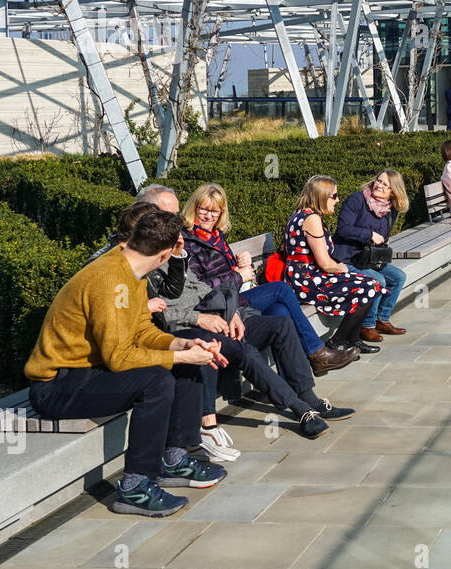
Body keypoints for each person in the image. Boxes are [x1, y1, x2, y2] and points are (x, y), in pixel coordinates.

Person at [25, 208, 227, 518]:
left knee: (185, 364)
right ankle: (134, 487)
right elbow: (119, 358)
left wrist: (182, 345)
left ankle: (173, 459)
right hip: (57, 386)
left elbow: (143, 330)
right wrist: (178, 355)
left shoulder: (131, 271)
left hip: (90, 372)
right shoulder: (109, 278)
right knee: (157, 381)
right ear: (164, 255)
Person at [128, 190, 353, 447]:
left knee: (280, 319)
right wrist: (222, 294)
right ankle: (300, 402)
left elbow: (198, 291)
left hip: (222, 310)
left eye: (215, 211)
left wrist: (231, 309)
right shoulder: (156, 252)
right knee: (260, 322)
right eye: (169, 215)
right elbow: (169, 306)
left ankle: (306, 396)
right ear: (146, 215)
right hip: (186, 329)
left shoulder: (176, 247)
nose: (177, 221)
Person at [181, 183, 362, 367]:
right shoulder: (187, 240)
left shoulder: (215, 235)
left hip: (232, 297)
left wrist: (239, 264)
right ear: (193, 207)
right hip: (220, 304)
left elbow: (222, 271)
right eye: (204, 209)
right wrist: (238, 276)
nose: (209, 216)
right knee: (281, 290)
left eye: (215, 211)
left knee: (281, 315)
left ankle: (299, 390)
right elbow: (200, 286)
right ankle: (318, 353)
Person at [281, 175, 385, 349]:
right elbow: (325, 263)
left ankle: (352, 341)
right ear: (322, 196)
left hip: (303, 275)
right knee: (370, 287)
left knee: (369, 285)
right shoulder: (311, 219)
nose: (337, 200)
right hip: (306, 280)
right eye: (334, 196)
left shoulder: (302, 214)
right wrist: (343, 269)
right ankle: (337, 342)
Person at [332, 169, 411, 345]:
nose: (379, 185)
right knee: (378, 280)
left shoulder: (391, 209)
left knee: (398, 277)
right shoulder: (357, 200)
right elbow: (343, 229)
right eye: (378, 180)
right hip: (347, 259)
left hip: (368, 258)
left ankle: (381, 320)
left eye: (385, 184)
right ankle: (366, 326)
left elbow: (383, 237)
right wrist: (368, 235)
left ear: (394, 191)